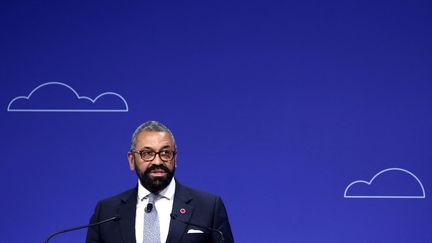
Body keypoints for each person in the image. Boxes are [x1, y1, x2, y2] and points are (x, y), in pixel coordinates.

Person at [86, 121, 234, 243]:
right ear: (131, 160)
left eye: (165, 153)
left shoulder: (208, 207)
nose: (157, 161)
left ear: (175, 158)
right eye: (147, 153)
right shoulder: (106, 212)